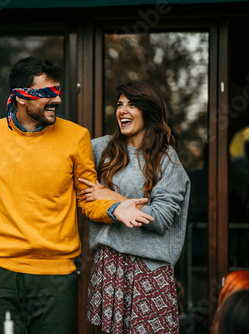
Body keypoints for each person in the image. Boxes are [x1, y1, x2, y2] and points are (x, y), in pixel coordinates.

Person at [0, 57, 154, 334]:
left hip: (56, 277)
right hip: (2, 274)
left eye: (57, 92)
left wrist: (115, 209)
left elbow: (89, 199)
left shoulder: (76, 137)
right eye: (45, 93)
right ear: (20, 97)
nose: (55, 100)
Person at [77, 81, 191, 333]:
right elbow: (57, 152)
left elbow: (160, 219)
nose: (122, 110)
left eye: (132, 104)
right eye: (119, 104)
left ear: (148, 111)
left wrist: (109, 195)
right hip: (109, 267)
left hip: (148, 272)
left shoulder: (166, 159)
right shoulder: (100, 149)